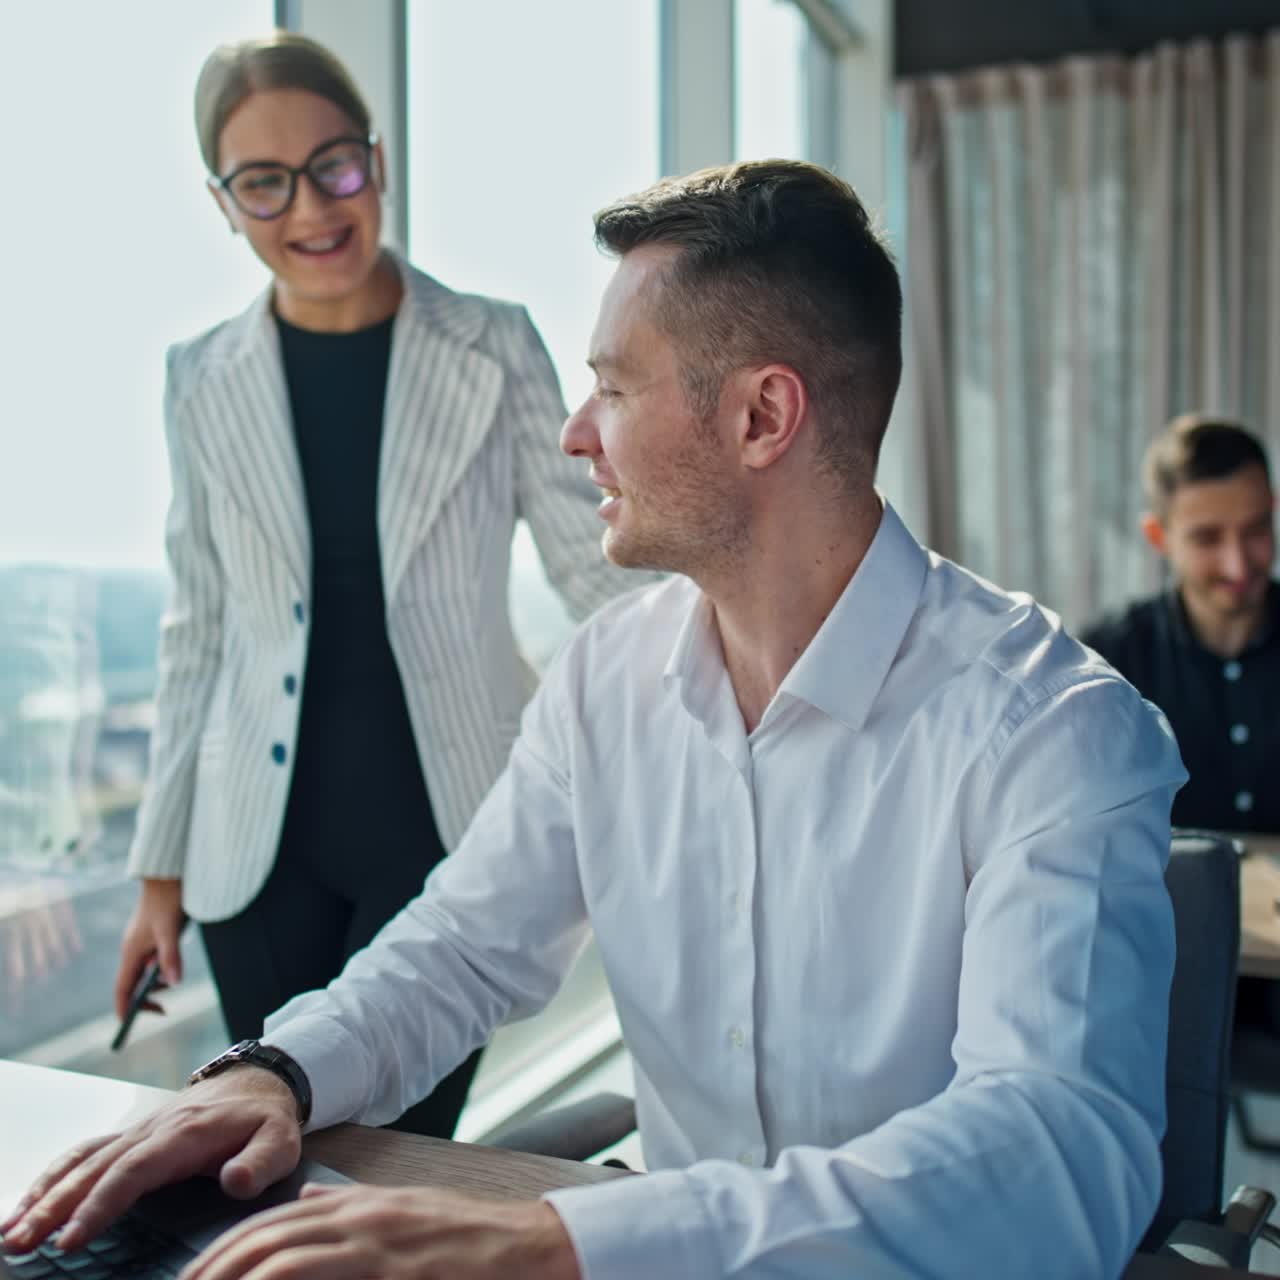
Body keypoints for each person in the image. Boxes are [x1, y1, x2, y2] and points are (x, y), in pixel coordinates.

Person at [6, 161, 1186, 1279]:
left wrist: (562, 1241)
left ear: (761, 417)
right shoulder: (602, 681)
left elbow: (1052, 1152)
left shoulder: (1054, 730)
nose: (577, 432)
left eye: (614, 387)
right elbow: (463, 945)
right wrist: (275, 1070)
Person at [111, 32, 635, 1139]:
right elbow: (195, 629)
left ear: (377, 162)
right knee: (272, 1146)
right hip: (256, 856)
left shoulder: (491, 344)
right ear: (225, 204)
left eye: (334, 164)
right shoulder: (198, 379)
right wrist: (157, 874)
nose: (311, 206)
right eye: (265, 182)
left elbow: (589, 561)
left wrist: (719, 682)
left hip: (446, 828)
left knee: (400, 1158)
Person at [1082, 413, 1279, 833]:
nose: (1237, 564)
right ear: (1159, 537)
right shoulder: (1104, 664)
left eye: (1256, 529)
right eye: (1208, 538)